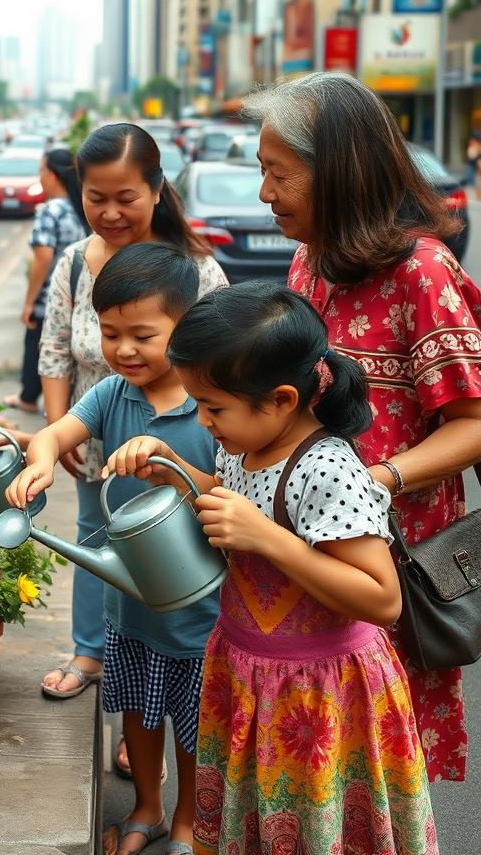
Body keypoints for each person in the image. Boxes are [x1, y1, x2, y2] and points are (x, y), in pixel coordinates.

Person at [119, 282, 438, 854]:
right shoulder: (244, 445)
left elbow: (382, 597)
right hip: (249, 673)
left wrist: (267, 538)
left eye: (214, 408)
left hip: (320, 691)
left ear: (284, 399)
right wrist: (179, 474)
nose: (204, 420)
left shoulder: (329, 467)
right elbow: (241, 501)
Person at [248, 70, 481, 782]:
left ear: (339, 174)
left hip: (394, 565)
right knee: (319, 753)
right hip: (309, 552)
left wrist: (376, 480)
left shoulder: (423, 274)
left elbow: (472, 425)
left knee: (382, 765)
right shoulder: (308, 262)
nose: (264, 195)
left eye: (277, 176)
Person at [7, 243, 219, 855]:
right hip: (129, 597)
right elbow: (53, 433)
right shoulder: (110, 397)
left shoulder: (209, 405)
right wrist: (41, 462)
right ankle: (147, 808)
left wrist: (171, 465)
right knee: (137, 708)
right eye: (109, 333)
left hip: (198, 601)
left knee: (190, 716)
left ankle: (188, 816)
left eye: (143, 335)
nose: (123, 349)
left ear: (186, 326)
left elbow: (229, 489)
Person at [37, 123, 226, 777]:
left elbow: (226, 360)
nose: (110, 213)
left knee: (174, 569)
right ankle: (95, 658)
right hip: (101, 426)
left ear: (156, 190)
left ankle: (166, 709)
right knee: (98, 551)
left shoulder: (194, 267)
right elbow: (56, 345)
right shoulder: (71, 260)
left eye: (126, 197)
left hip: (181, 435)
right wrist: (58, 426)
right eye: (96, 198)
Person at [4, 147, 87, 414]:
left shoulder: (50, 211)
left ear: (53, 175)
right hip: (82, 293)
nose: (39, 177)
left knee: (41, 346)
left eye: (41, 171)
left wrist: (29, 302)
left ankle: (30, 399)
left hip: (52, 296)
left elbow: (42, 258)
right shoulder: (82, 205)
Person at [468, 130, 481, 202]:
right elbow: (471, 157)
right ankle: (477, 196)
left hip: (476, 168)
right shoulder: (473, 148)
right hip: (473, 168)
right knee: (474, 182)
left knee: (477, 182)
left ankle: (478, 196)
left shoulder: (477, 147)